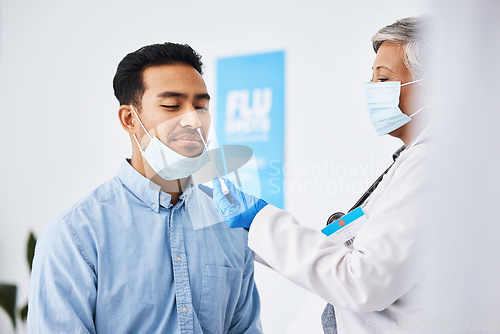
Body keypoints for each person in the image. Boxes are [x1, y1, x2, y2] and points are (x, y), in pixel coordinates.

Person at [201, 16, 431, 333]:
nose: (372, 91)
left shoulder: (430, 165)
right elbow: (348, 258)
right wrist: (250, 232)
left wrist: (259, 220)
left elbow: (363, 280)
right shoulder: (416, 161)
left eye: (384, 79)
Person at [28, 42, 262, 333]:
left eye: (200, 106)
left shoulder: (231, 225)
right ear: (129, 119)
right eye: (171, 106)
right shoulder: (75, 234)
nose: (192, 119)